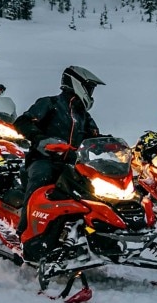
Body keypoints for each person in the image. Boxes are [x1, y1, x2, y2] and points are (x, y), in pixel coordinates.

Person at [13, 66, 105, 232]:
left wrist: (112, 145)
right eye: (89, 88)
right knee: (41, 180)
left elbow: (94, 137)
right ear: (77, 84)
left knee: (95, 191)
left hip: (72, 164)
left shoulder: (83, 115)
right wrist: (40, 139)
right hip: (43, 160)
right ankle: (25, 231)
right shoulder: (49, 103)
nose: (91, 93)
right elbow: (23, 122)